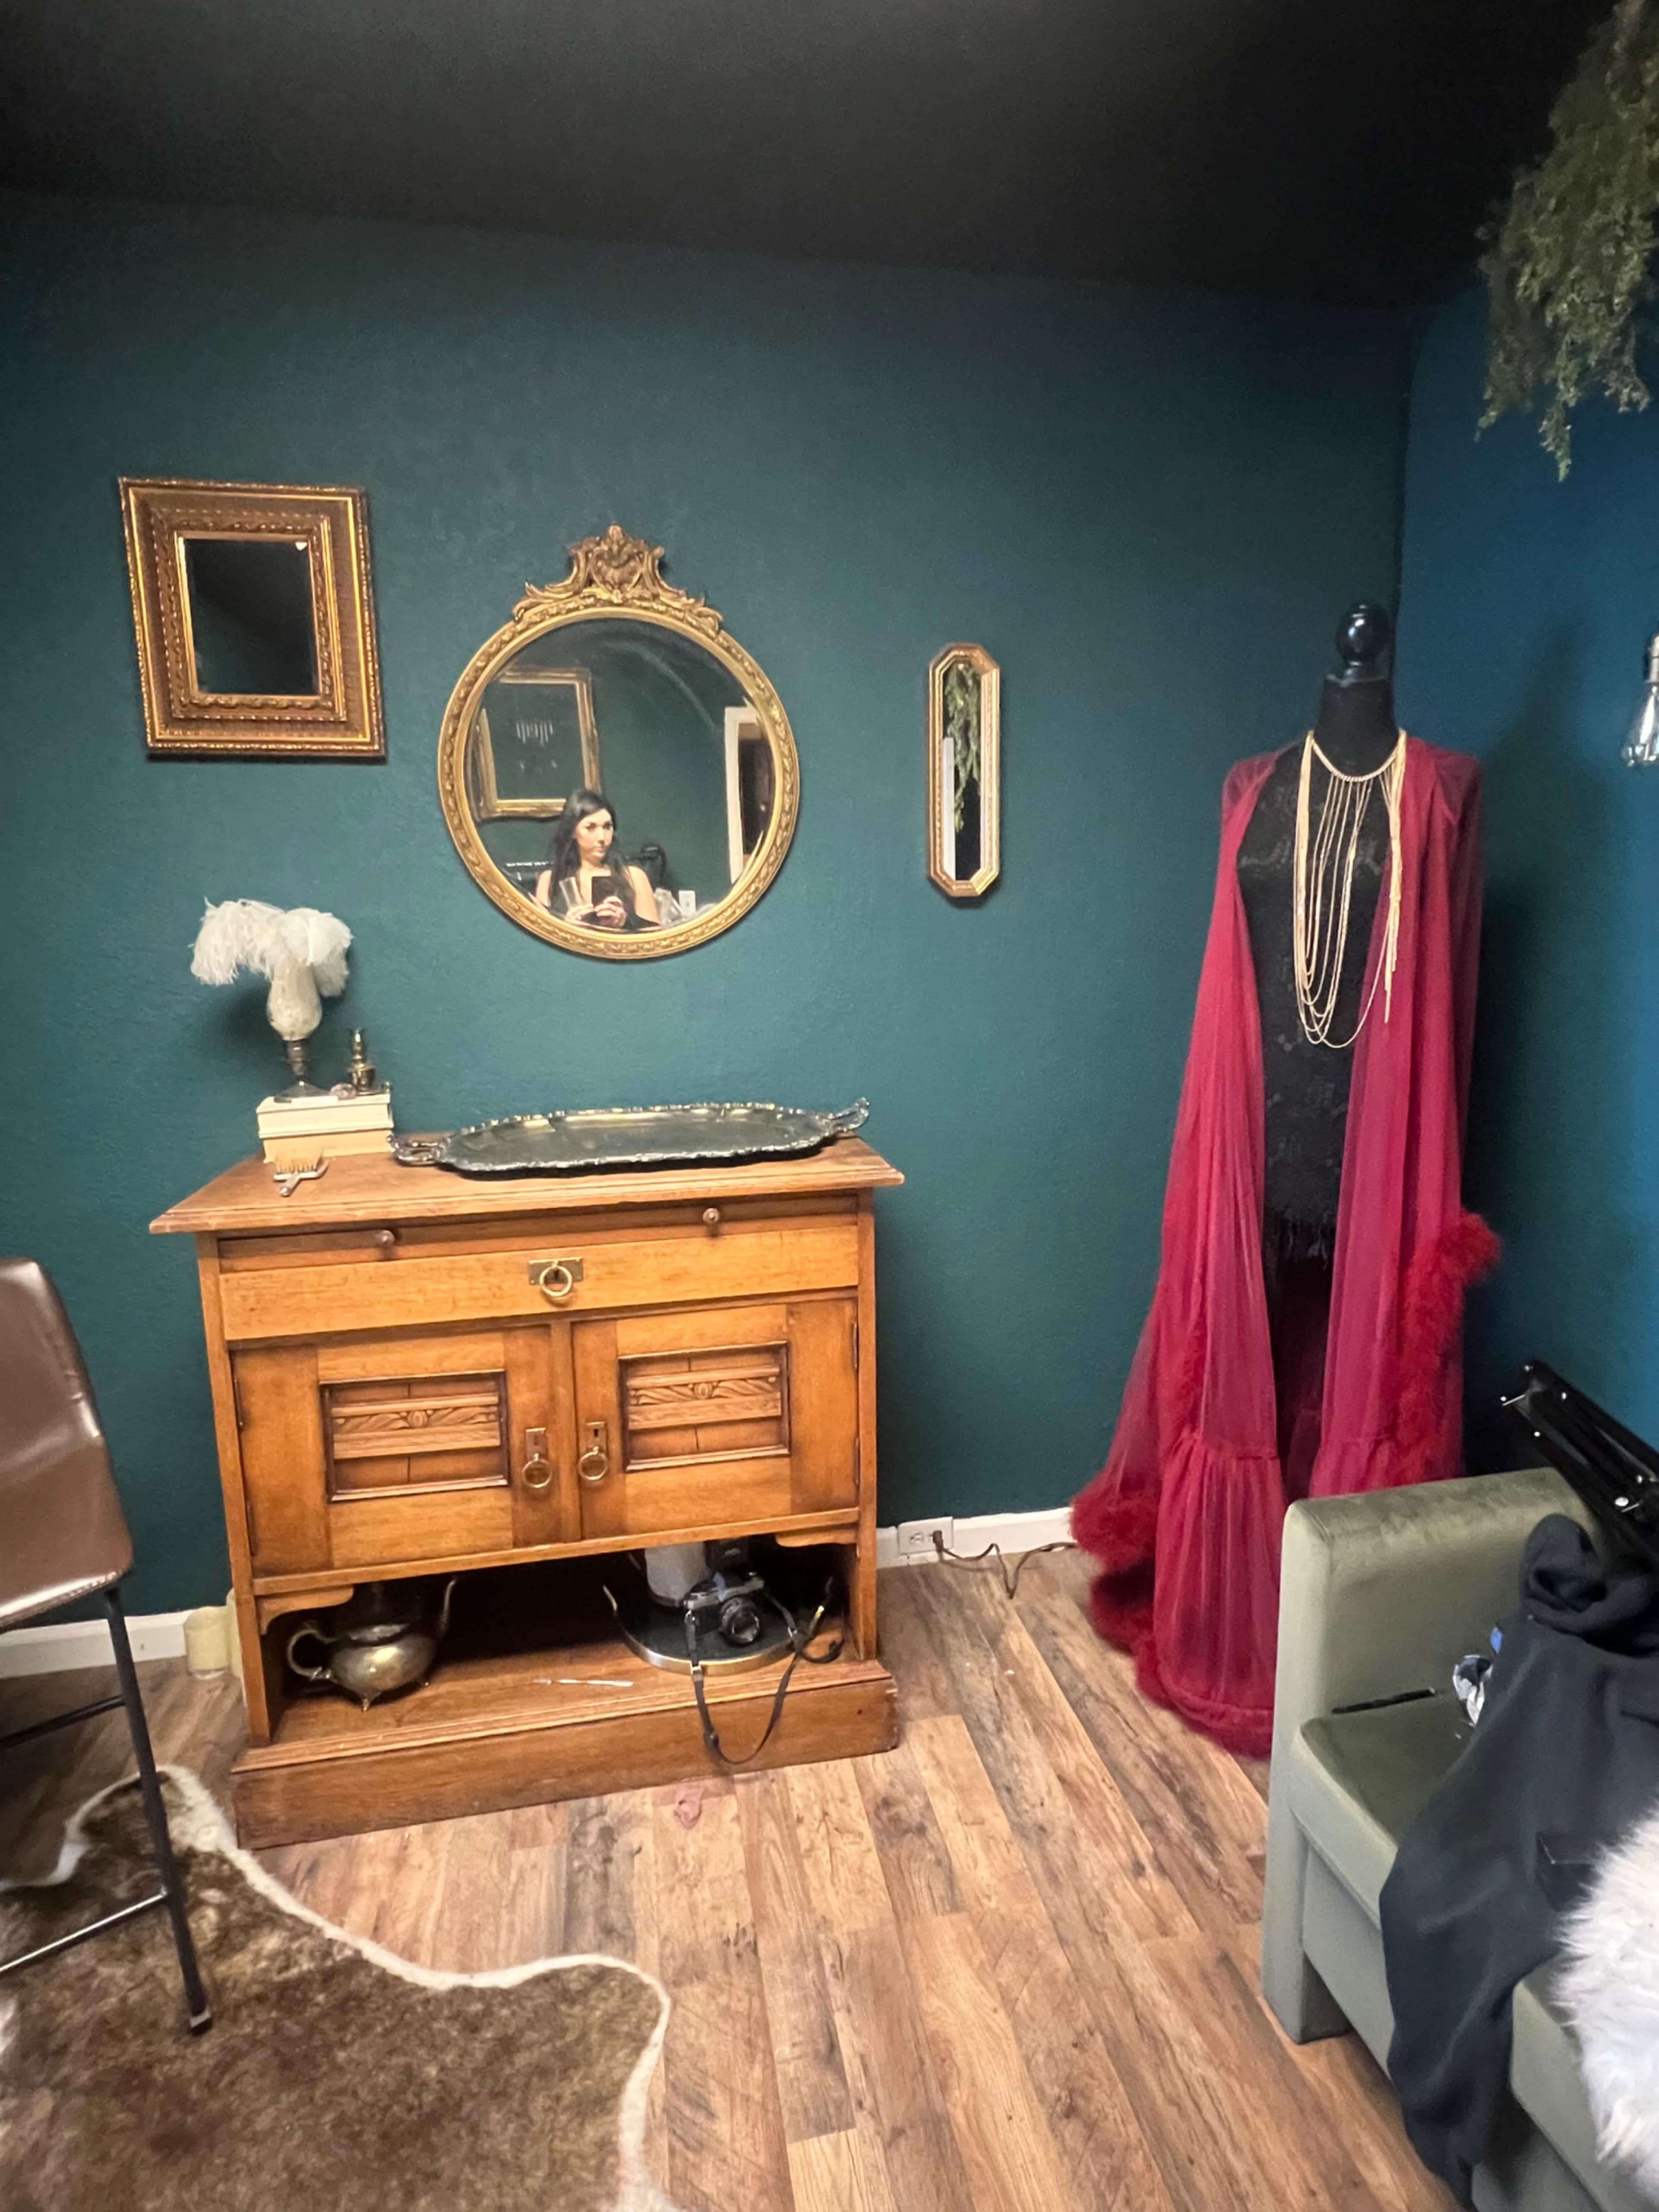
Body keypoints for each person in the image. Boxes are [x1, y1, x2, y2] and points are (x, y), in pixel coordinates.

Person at [534, 789, 661, 930]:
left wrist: (626, 922)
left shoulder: (634, 877)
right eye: (591, 827)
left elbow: (654, 937)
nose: (602, 838)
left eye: (607, 827)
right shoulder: (550, 880)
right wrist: (566, 927)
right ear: (574, 832)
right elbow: (542, 936)